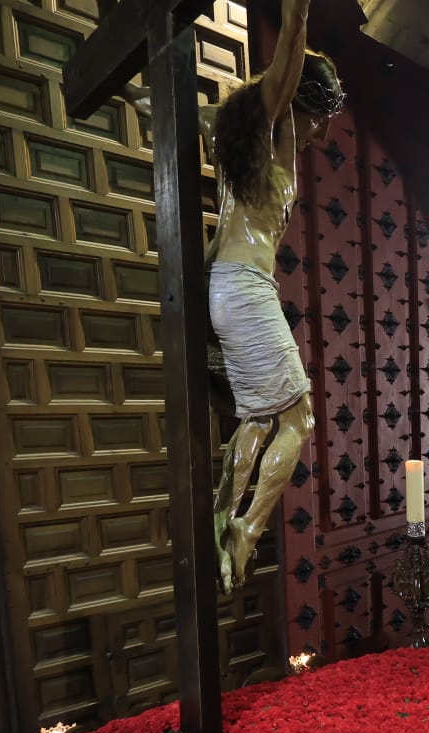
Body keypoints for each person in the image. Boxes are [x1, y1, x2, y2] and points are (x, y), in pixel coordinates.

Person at [126, 0, 345, 593]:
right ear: (300, 101)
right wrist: (298, 16)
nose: (322, 132)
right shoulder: (270, 124)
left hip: (235, 289)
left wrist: (142, 97)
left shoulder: (238, 135)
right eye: (320, 117)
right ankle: (247, 528)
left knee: (257, 417)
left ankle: (226, 514)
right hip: (244, 290)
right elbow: (291, 49)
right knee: (298, 418)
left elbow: (167, 109)